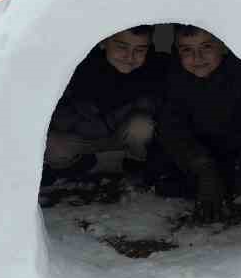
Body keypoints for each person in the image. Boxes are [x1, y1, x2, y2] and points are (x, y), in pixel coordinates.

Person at [156, 25, 241, 220]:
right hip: (201, 153)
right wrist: (203, 167)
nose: (197, 58)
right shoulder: (175, 78)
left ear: (223, 46)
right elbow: (172, 127)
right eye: (187, 50)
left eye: (206, 47)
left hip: (240, 155)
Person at [44, 26, 165, 179]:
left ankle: (133, 164)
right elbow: (57, 115)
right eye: (122, 47)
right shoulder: (79, 67)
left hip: (121, 138)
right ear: (103, 42)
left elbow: (154, 108)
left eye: (140, 50)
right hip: (83, 138)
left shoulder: (154, 69)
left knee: (142, 125)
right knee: (52, 143)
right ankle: (77, 168)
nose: (130, 57)